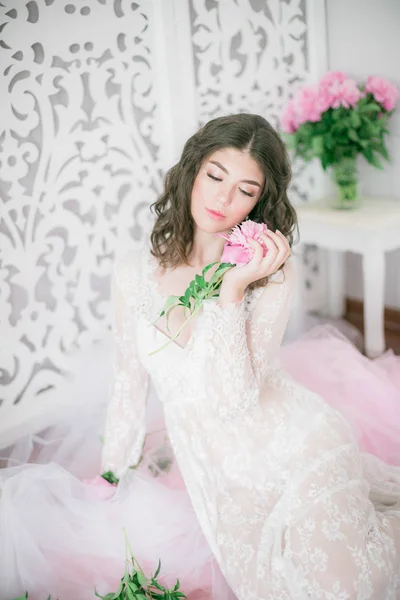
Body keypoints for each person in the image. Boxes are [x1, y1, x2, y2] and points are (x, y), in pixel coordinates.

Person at [1, 114, 400, 600]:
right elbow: (128, 380)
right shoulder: (134, 274)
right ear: (192, 170)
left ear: (261, 201)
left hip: (299, 445)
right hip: (224, 475)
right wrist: (112, 472)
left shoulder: (270, 272)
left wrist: (232, 291)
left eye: (245, 190)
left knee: (344, 589)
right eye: (215, 176)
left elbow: (236, 399)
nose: (223, 199)